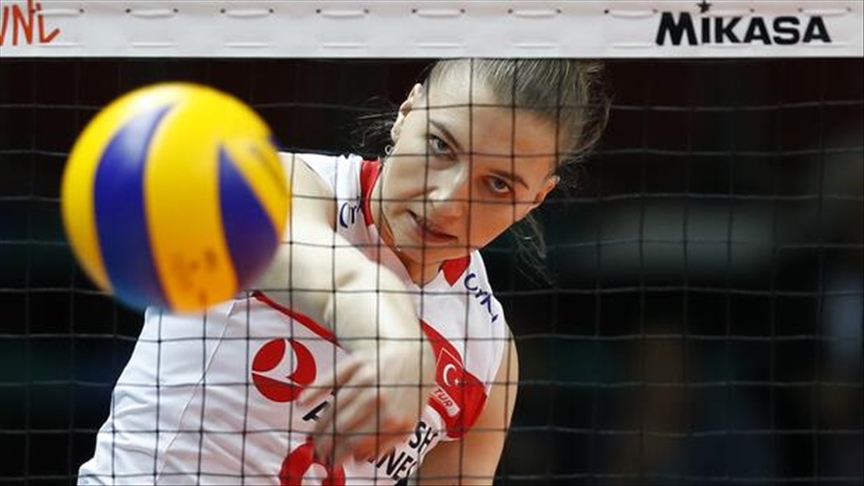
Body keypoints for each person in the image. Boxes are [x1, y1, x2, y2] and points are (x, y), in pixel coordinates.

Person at [78, 58, 606, 485]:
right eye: (440, 147)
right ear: (407, 112)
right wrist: (397, 339)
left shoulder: (487, 351)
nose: (447, 202)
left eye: (499, 184)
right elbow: (328, 272)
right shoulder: (282, 188)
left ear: (537, 198)